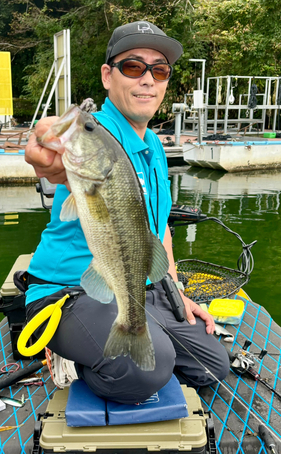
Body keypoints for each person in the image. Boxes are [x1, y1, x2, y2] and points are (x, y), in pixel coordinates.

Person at [24, 21, 230, 404]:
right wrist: (46, 148)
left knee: (211, 365)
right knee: (147, 369)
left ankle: (141, 329)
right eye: (133, 67)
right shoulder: (96, 131)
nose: (148, 80)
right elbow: (48, 143)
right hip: (64, 293)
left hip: (131, 286)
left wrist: (176, 293)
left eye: (159, 70)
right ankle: (68, 358)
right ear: (108, 75)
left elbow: (160, 230)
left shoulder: (153, 146)